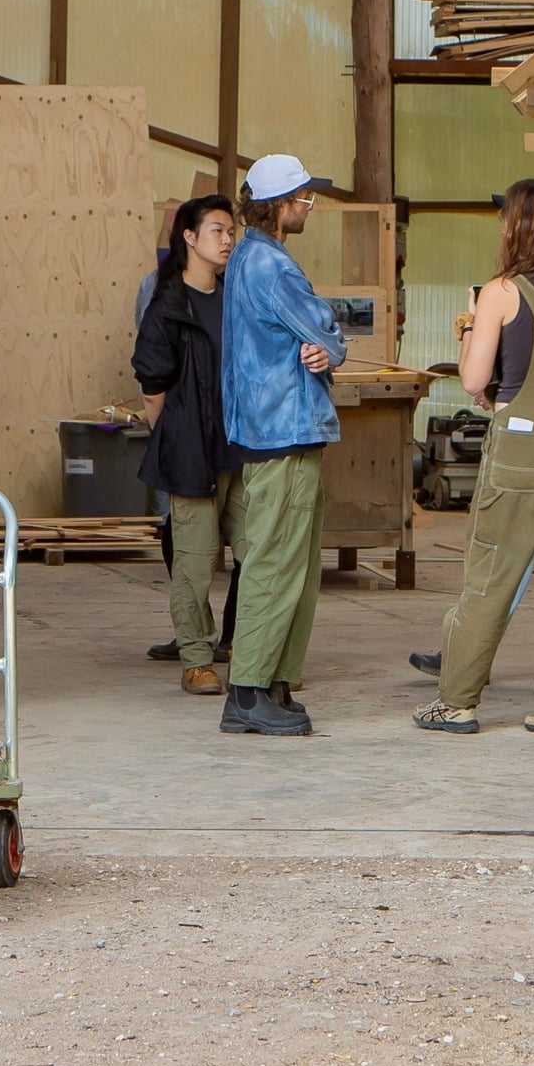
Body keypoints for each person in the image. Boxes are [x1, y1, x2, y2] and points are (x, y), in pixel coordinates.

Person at [414, 183, 534, 737]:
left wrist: (472, 321)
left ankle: (456, 702)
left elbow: (473, 379)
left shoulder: (502, 291)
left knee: (489, 578)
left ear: (516, 228)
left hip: (522, 453)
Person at [217, 155, 342, 737]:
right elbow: (324, 326)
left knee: (286, 560)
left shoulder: (244, 255)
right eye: (305, 201)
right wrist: (327, 346)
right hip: (286, 427)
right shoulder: (274, 266)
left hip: (266, 425)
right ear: (282, 205)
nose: (308, 209)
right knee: (277, 562)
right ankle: (248, 690)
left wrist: (316, 348)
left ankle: (269, 683)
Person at [132, 194, 241, 697]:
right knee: (196, 562)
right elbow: (152, 386)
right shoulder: (168, 306)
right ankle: (196, 658)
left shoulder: (238, 296)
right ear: (190, 238)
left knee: (259, 550)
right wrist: (175, 437)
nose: (227, 239)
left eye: (231, 230)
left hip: (243, 447)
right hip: (191, 449)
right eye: (217, 230)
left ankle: (248, 649)